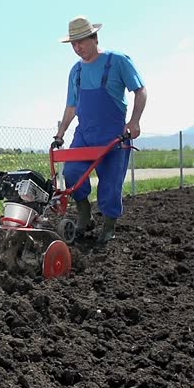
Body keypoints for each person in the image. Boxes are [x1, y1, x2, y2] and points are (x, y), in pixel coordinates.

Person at [52, 15, 148, 243]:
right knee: (72, 174)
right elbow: (71, 106)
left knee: (110, 184)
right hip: (84, 136)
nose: (77, 48)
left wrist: (134, 122)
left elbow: (140, 91)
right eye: (73, 44)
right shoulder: (75, 71)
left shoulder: (118, 61)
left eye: (81, 42)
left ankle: (109, 226)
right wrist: (61, 133)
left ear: (95, 38)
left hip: (114, 136)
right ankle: (84, 213)